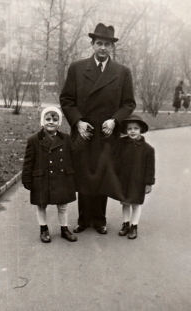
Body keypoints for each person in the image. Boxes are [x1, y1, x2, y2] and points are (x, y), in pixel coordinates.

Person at [60, 23, 136, 235]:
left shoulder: (122, 72)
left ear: (112, 47)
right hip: (84, 133)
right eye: (99, 43)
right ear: (92, 45)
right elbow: (67, 99)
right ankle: (84, 219)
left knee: (102, 174)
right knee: (84, 174)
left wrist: (114, 120)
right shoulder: (77, 68)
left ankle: (100, 220)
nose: (103, 48)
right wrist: (78, 122)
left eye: (107, 44)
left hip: (106, 133)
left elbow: (129, 103)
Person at [22, 106, 90, 243]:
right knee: (41, 205)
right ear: (42, 121)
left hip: (61, 177)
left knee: (63, 205)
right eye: (47, 119)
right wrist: (26, 177)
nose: (51, 122)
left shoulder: (65, 138)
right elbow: (28, 161)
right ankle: (43, 229)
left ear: (59, 123)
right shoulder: (34, 140)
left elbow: (74, 151)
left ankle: (64, 229)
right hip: (42, 178)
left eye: (54, 119)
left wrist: (83, 138)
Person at [100, 114, 155, 239]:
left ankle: (134, 226)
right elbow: (111, 145)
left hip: (138, 181)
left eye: (136, 128)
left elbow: (150, 168)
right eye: (129, 129)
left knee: (135, 204)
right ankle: (125, 224)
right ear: (126, 131)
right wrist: (106, 135)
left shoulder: (148, 149)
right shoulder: (121, 143)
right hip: (124, 180)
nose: (132, 131)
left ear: (140, 130)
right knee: (125, 203)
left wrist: (149, 183)